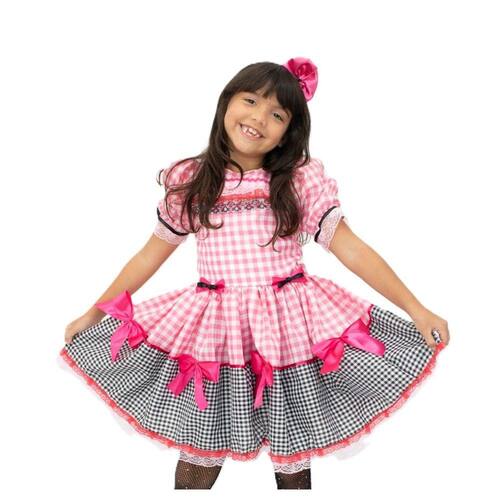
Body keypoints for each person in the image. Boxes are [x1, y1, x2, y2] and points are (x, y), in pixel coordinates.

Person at [60, 57, 450, 490]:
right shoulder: (193, 181)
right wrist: (94, 313)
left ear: (289, 132)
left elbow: (353, 250)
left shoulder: (297, 182)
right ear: (226, 102)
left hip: (287, 333)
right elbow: (147, 257)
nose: (259, 118)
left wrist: (417, 309)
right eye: (250, 101)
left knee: (292, 448)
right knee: (203, 442)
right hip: (218, 334)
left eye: (277, 114)